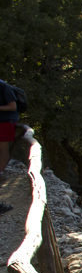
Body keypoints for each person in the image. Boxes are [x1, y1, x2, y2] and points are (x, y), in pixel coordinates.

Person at [0, 78, 19, 215]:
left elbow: (13, 106)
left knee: (3, 148)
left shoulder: (3, 86)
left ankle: (2, 170)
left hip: (6, 121)